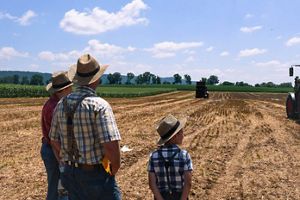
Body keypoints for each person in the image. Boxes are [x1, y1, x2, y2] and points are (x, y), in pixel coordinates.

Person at [49, 54, 122, 200]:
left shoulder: (61, 104)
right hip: (95, 173)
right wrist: (114, 168)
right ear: (97, 79)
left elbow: (53, 140)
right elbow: (111, 145)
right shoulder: (100, 105)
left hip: (70, 173)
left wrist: (62, 161)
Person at [41, 71, 73, 200]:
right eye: (69, 87)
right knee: (61, 188)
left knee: (55, 186)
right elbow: (56, 138)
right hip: (54, 150)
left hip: (49, 148)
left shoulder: (50, 103)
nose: (71, 90)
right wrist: (63, 158)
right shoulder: (57, 107)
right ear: (63, 90)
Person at [147, 114, 193, 200]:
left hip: (161, 196)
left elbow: (152, 184)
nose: (183, 135)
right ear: (175, 136)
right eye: (182, 132)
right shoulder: (184, 155)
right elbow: (188, 183)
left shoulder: (154, 156)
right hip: (180, 196)